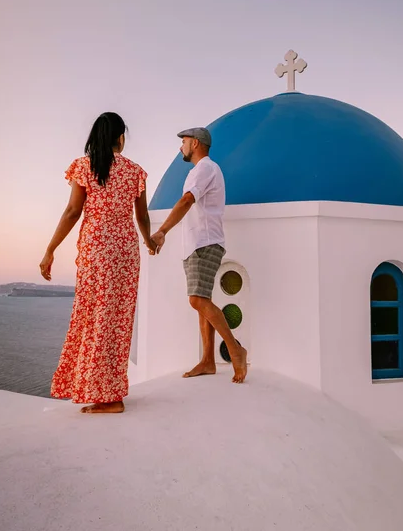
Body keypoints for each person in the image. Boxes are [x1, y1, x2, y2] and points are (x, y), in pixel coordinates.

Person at [39, 112, 157, 413]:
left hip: (96, 249)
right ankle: (109, 391)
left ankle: (109, 396)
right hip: (125, 251)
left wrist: (50, 249)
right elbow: (142, 216)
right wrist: (149, 240)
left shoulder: (84, 167)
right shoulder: (135, 172)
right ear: (120, 137)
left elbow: (71, 212)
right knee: (116, 319)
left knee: (93, 316)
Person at [151, 127, 248, 383]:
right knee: (202, 301)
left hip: (204, 242)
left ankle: (235, 350)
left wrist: (162, 231)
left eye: (183, 142)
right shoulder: (204, 170)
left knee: (196, 300)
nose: (180, 147)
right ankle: (207, 360)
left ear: (195, 143)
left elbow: (186, 201)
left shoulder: (204, 168)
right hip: (198, 243)